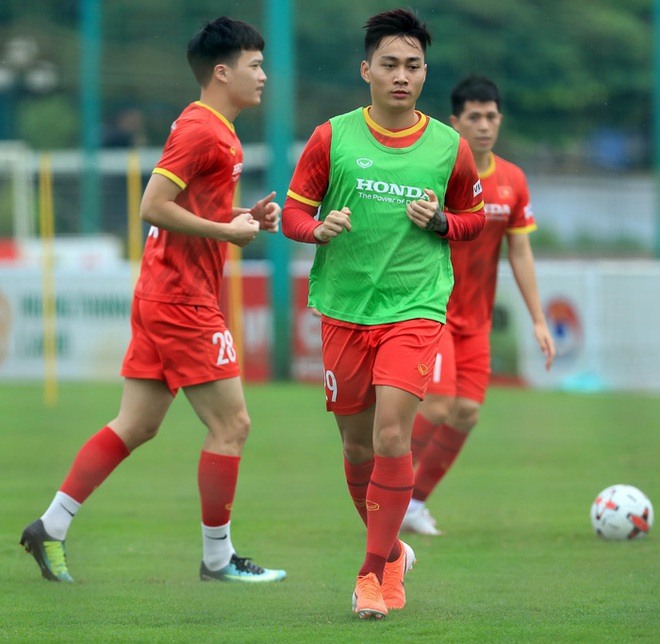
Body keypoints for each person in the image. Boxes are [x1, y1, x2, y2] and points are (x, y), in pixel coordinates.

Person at [20, 16, 286, 584]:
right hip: (181, 300)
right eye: (255, 64)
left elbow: (190, 211)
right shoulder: (201, 129)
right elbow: (153, 205)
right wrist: (226, 232)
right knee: (232, 425)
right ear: (222, 71)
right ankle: (217, 559)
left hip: (163, 290)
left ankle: (50, 526)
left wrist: (240, 220)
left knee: (136, 424)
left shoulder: (219, 129)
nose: (264, 74)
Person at [282, 9, 485, 620]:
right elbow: (294, 214)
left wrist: (444, 222)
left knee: (393, 434)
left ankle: (374, 576)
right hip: (345, 308)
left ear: (425, 74)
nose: (402, 76)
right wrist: (316, 229)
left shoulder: (450, 147)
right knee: (357, 448)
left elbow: (473, 219)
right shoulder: (331, 137)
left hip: (415, 306)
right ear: (365, 69)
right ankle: (392, 549)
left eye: (413, 66)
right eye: (390, 65)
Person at [401, 74, 556, 536]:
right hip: (434, 309)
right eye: (474, 117)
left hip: (477, 319)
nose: (484, 125)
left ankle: (413, 505)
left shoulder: (513, 181)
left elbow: (521, 252)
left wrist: (539, 319)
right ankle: (384, 486)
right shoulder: (441, 172)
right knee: (439, 404)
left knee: (466, 413)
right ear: (456, 122)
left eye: (491, 116)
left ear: (500, 119)